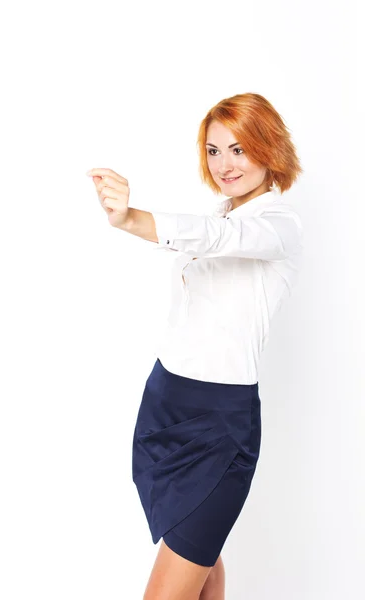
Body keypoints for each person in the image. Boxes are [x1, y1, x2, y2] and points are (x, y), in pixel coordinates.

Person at [86, 92, 304, 600]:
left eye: (239, 149)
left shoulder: (279, 225)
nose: (225, 165)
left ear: (268, 148)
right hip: (165, 405)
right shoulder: (220, 214)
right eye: (213, 150)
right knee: (203, 563)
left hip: (220, 423)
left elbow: (212, 238)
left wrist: (130, 218)